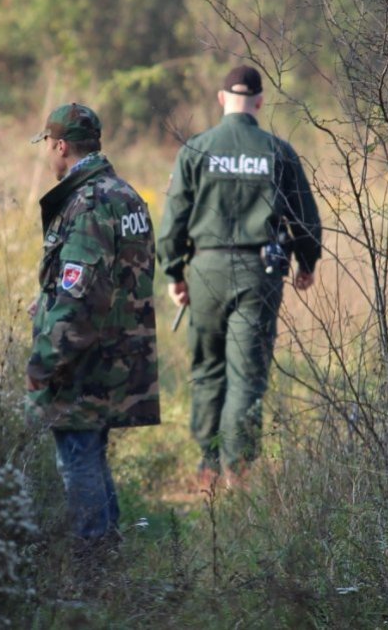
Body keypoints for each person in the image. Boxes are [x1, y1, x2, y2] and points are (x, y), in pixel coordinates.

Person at [157, 66, 322, 488]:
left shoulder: (196, 150)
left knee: (209, 368)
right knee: (247, 373)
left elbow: (174, 218)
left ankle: (208, 464)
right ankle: (239, 470)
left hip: (206, 271)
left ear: (220, 99)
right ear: (261, 102)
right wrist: (307, 262)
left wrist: (175, 273)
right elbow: (304, 217)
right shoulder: (278, 151)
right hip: (258, 273)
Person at [26, 103, 160, 548]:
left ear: (60, 146)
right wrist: (47, 298)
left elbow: (80, 296)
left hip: (86, 362)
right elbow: (118, 277)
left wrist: (45, 361)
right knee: (92, 454)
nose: (48, 154)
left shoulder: (87, 203)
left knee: (77, 460)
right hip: (118, 355)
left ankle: (93, 562)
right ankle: (108, 552)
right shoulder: (125, 195)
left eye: (48, 144)